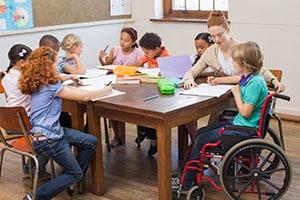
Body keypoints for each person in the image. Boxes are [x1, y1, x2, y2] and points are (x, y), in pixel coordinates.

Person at [19, 47, 112, 200]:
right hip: (49, 139)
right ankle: (34, 197)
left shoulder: (38, 82)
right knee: (75, 173)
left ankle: (71, 180)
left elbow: (59, 78)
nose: (58, 66)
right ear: (48, 66)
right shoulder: (51, 87)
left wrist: (70, 77)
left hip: (44, 133)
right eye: (56, 63)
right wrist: (106, 90)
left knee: (91, 141)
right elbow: (85, 96)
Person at [176, 41, 268, 190]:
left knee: (201, 140)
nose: (232, 62)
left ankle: (186, 183)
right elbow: (238, 79)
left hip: (244, 130)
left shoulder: (254, 84)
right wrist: (219, 80)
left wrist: (236, 93)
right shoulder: (251, 77)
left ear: (243, 64)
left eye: (234, 61)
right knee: (200, 133)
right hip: (241, 125)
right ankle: (187, 176)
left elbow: (245, 112)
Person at [183, 11, 284, 92]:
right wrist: (189, 79)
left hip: (246, 94)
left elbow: (259, 69)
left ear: (228, 29)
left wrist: (274, 81)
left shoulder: (241, 48)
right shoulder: (210, 53)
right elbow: (192, 72)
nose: (217, 40)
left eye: (220, 35)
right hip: (226, 94)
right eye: (213, 36)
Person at [98, 27, 143, 147]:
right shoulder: (115, 50)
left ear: (133, 42)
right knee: (112, 108)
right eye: (121, 39)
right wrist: (101, 58)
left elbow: (139, 68)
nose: (122, 42)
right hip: (115, 84)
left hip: (132, 87)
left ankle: (142, 131)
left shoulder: (138, 53)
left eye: (127, 40)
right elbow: (106, 65)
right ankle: (116, 135)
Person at [39, 34, 73, 129]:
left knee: (66, 117)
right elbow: (54, 82)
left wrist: (70, 77)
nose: (58, 55)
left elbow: (56, 77)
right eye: (56, 52)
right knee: (67, 118)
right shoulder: (45, 72)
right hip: (47, 121)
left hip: (40, 117)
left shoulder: (36, 67)